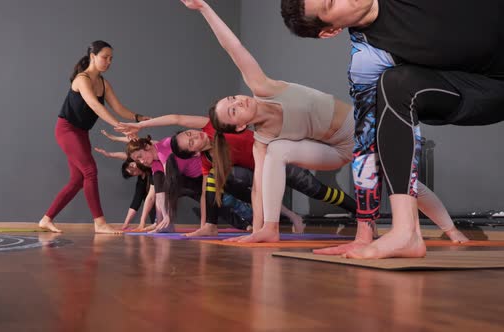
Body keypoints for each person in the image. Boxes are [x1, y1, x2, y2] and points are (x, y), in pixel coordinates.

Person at [181, 0, 469, 244]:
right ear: (241, 127)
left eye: (232, 98)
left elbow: (234, 47)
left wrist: (205, 7)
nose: (238, 102)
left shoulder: (263, 86)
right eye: (232, 111)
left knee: (407, 181)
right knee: (276, 151)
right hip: (333, 152)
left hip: (357, 132)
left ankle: (451, 230)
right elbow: (259, 187)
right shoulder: (263, 139)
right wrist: (258, 227)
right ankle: (268, 230)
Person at [281, 0, 500, 258]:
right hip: (491, 87)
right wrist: (364, 234)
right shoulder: (369, 56)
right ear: (330, 31)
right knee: (395, 85)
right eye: (330, 3)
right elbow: (365, 142)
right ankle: (406, 233)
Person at [117, 113, 356, 237]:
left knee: (317, 190)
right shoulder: (206, 161)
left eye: (191, 133)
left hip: (277, 156)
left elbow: (177, 118)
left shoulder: (212, 128)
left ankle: (359, 210)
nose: (194, 137)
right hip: (262, 171)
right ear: (192, 153)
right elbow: (204, 194)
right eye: (190, 142)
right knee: (215, 180)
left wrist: (142, 126)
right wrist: (205, 225)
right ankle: (217, 225)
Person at [38, 40, 150, 234]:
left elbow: (118, 107)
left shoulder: (104, 84)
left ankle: (46, 219)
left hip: (81, 133)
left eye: (111, 59)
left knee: (77, 180)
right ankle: (99, 223)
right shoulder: (82, 79)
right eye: (105, 57)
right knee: (90, 171)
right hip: (67, 130)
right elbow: (95, 106)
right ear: (93, 56)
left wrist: (138, 118)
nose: (108, 62)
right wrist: (120, 127)